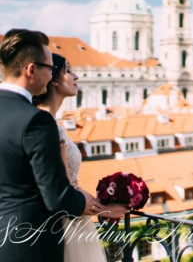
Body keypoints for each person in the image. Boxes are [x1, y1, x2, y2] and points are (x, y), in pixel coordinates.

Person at [0, 28, 105, 261]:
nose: (50, 76)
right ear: (31, 70)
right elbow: (56, 197)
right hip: (29, 244)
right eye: (49, 69)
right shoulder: (36, 120)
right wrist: (87, 203)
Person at [33, 52, 127, 261]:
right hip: (66, 221)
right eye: (68, 71)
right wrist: (103, 210)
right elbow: (63, 187)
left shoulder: (50, 122)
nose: (76, 77)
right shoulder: (46, 125)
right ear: (52, 79)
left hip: (72, 216)